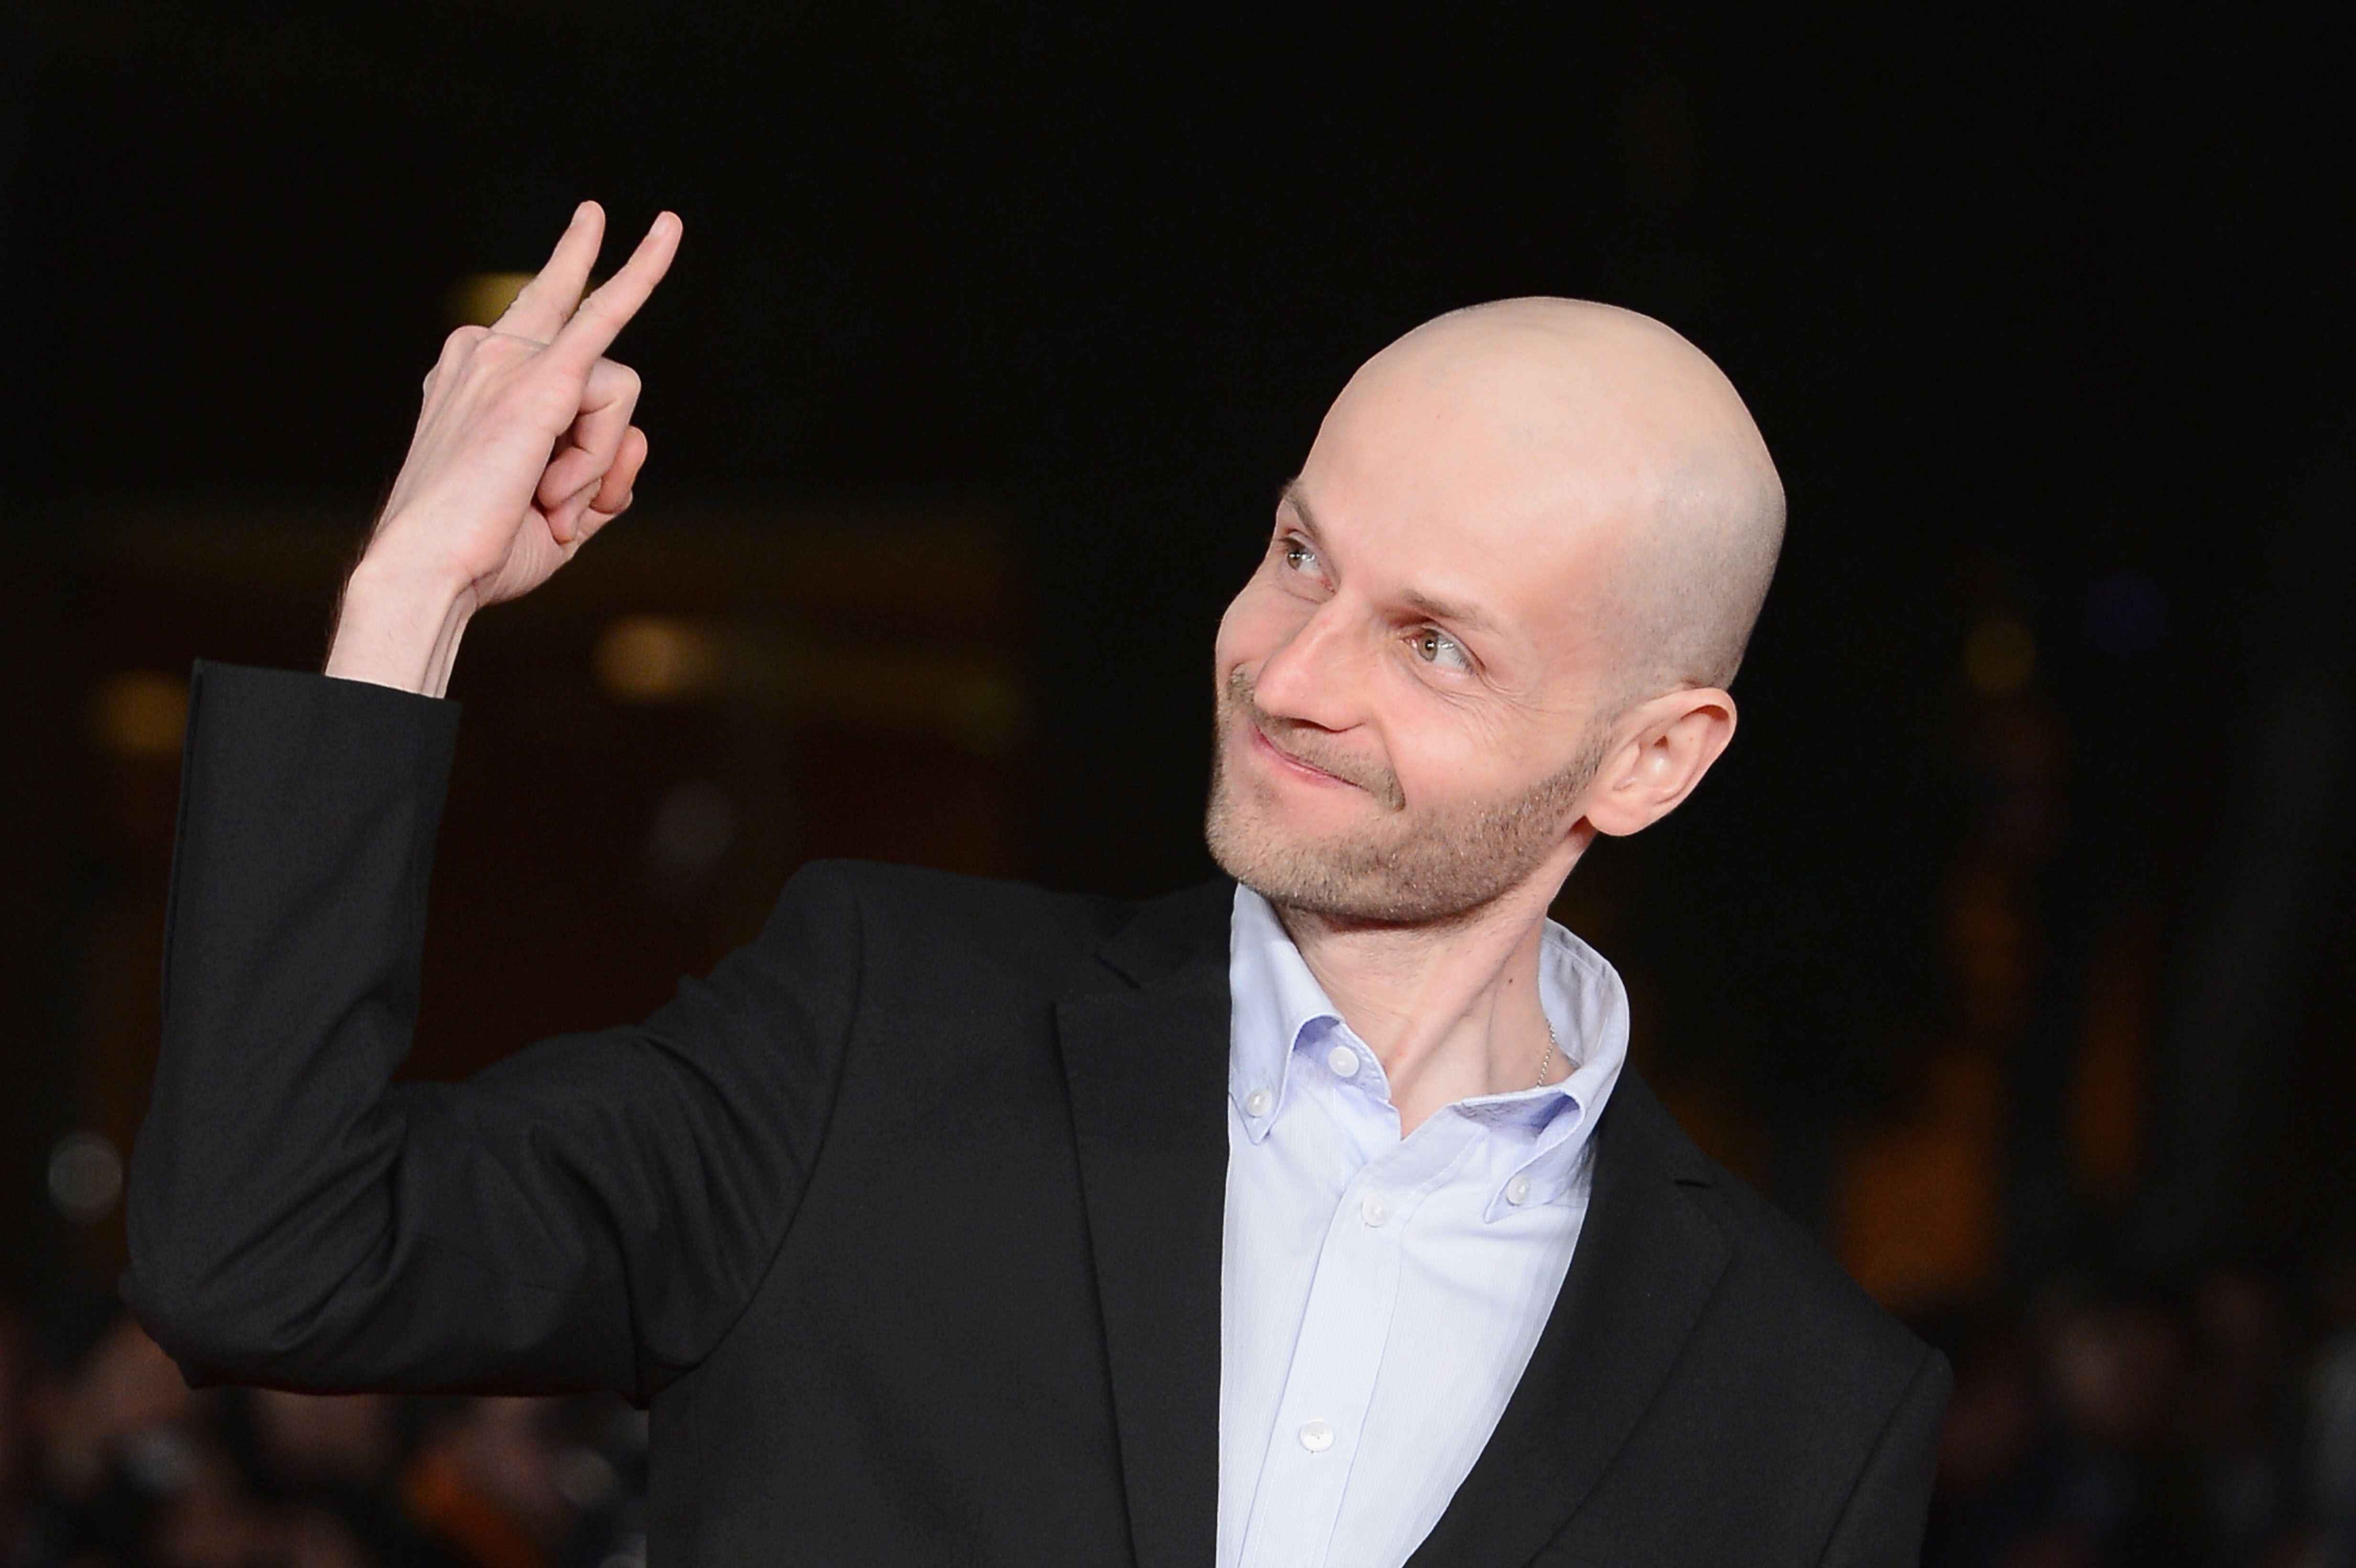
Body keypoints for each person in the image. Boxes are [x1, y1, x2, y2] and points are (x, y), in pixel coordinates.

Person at [127, 201, 1951, 1568]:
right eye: (1300, 551)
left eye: (1435, 646)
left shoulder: (1810, 1409)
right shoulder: (880, 1030)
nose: (1294, 670)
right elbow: (269, 1264)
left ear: (1654, 758)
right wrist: (406, 606)